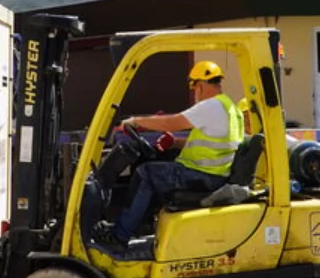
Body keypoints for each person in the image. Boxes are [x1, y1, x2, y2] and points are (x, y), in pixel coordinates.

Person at [94, 61, 244, 246]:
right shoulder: (232, 109)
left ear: (199, 85)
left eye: (194, 88)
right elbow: (214, 142)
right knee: (156, 169)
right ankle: (141, 227)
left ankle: (119, 236)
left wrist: (134, 121)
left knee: (145, 173)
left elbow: (170, 123)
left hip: (203, 175)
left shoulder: (211, 106)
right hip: (213, 174)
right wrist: (174, 142)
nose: (194, 93)